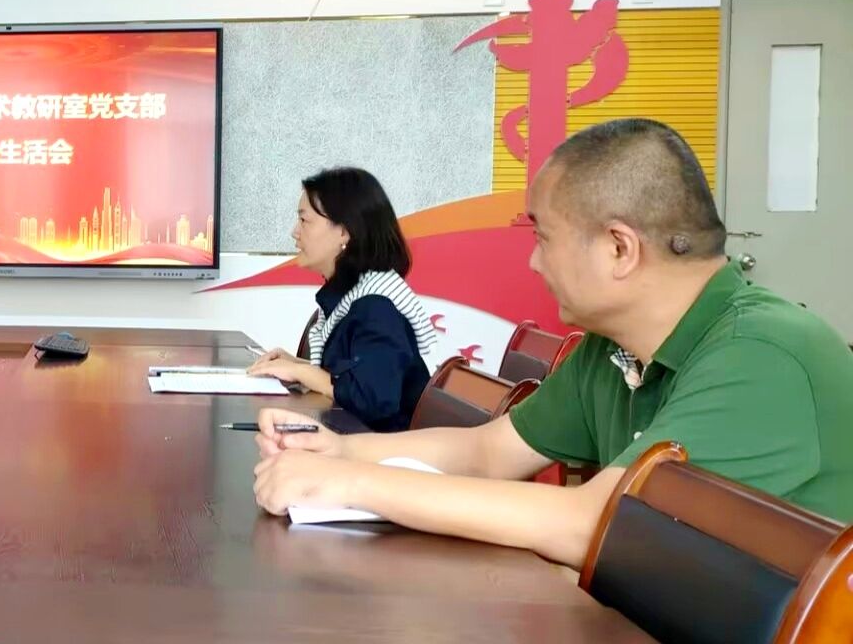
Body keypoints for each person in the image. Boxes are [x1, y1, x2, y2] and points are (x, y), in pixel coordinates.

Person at [251, 119, 853, 568]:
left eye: (543, 237)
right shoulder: (611, 349)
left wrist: (356, 485)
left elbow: (598, 523)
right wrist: (340, 453)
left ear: (619, 248)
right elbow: (490, 452)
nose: (534, 262)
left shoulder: (764, 355)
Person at [246, 168, 436, 431]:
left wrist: (303, 373)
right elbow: (353, 374)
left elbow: (372, 398)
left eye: (304, 220)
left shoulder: (377, 307)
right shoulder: (354, 295)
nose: (295, 232)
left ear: (344, 231)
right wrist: (296, 365)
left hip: (377, 450)